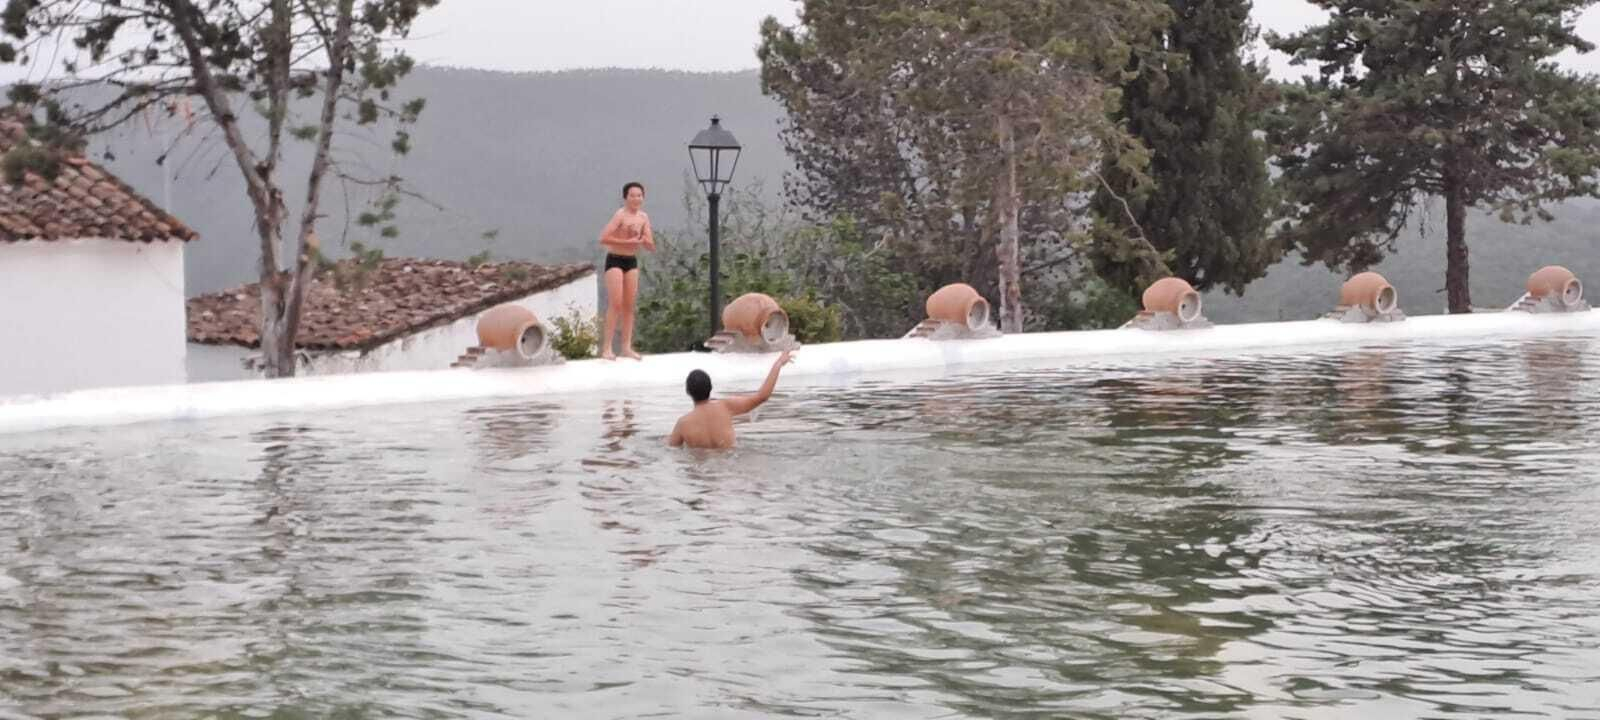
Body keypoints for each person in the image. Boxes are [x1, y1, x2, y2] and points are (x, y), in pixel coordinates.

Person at [668, 351, 795, 449]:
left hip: (702, 475)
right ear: (711, 388)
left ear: (688, 392)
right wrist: (778, 364)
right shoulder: (725, 406)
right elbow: (762, 396)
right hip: (730, 467)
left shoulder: (682, 424)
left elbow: (671, 448)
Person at [598, 181, 655, 360]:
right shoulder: (620, 215)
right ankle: (606, 348)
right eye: (632, 195)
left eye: (639, 195)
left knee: (629, 305)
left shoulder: (643, 217)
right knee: (615, 303)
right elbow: (604, 238)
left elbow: (650, 245)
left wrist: (645, 241)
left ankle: (626, 346)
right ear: (625, 197)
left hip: (631, 260)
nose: (636, 199)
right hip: (615, 259)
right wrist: (626, 242)